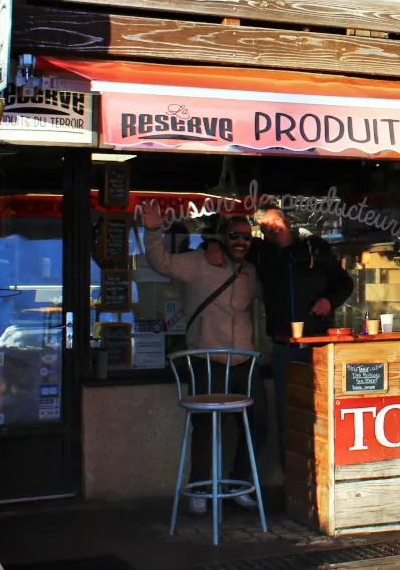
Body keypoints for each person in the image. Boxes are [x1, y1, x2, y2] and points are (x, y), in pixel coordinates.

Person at [141, 202, 260, 515]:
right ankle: (202, 488)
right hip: (208, 359)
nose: (241, 242)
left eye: (247, 237)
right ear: (223, 235)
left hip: (244, 362)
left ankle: (237, 484)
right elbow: (160, 263)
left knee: (258, 423)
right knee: (207, 427)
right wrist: (153, 231)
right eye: (234, 235)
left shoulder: (250, 271)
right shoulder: (199, 262)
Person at [249, 205, 355, 442]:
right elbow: (230, 246)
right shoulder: (261, 254)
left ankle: (322, 475)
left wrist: (329, 301)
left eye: (275, 220)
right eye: (265, 225)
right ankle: (293, 476)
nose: (272, 227)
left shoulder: (314, 249)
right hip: (284, 347)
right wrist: (210, 245)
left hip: (320, 345)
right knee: (288, 416)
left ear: (286, 221)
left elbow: (345, 283)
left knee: (325, 412)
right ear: (262, 232)